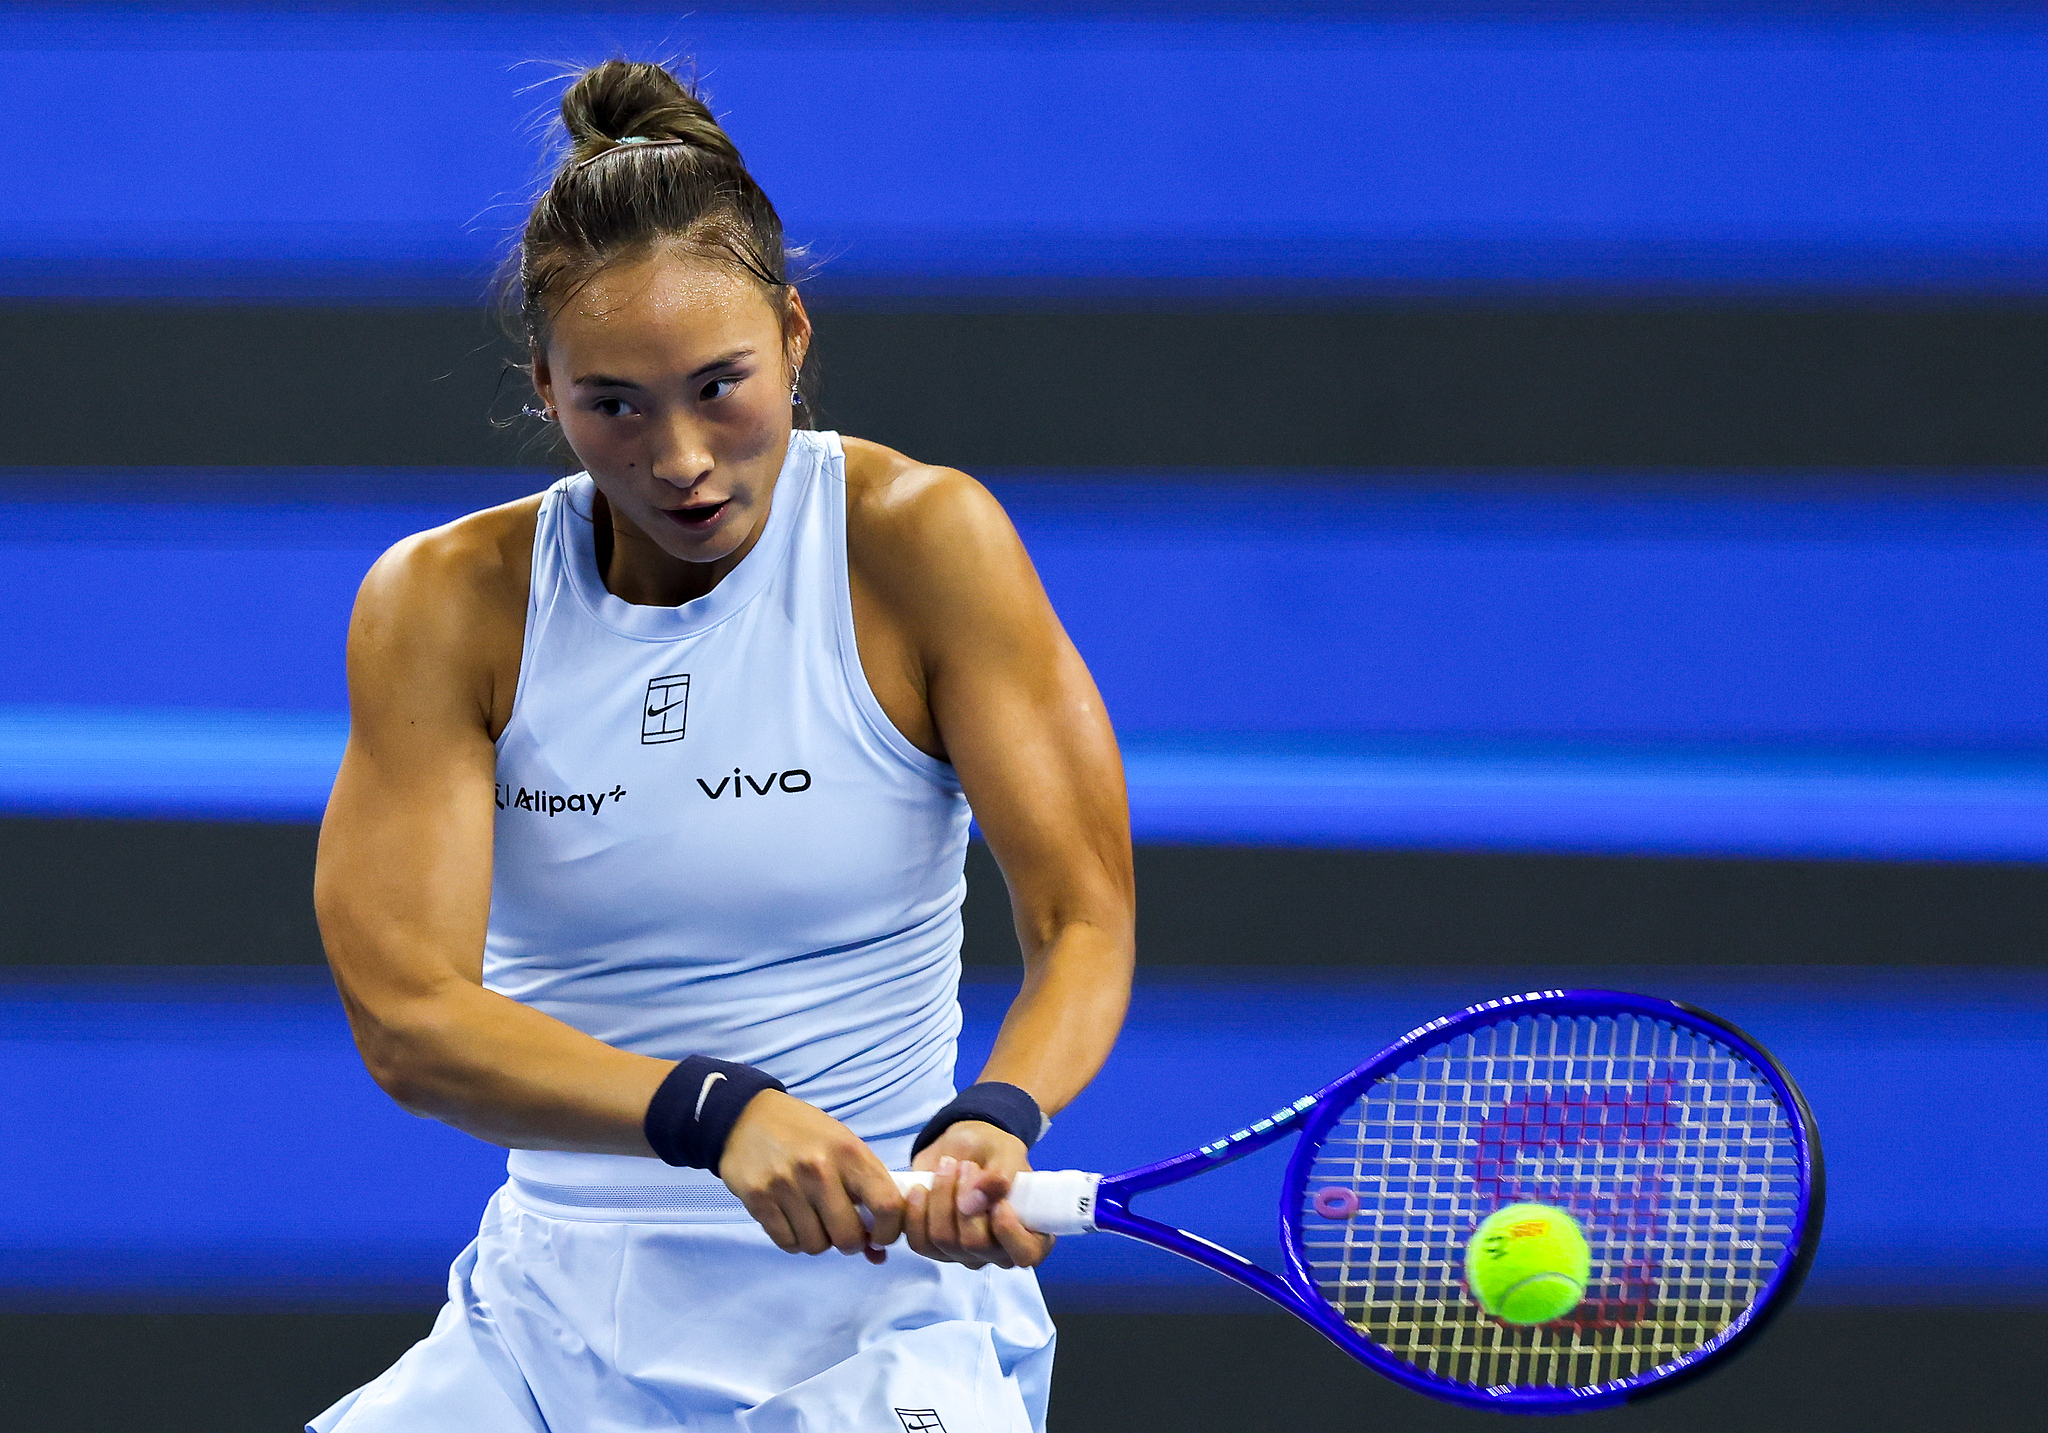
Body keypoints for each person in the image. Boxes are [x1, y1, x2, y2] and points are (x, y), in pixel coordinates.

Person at [308, 58, 1134, 1432]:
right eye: (614, 404)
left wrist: (997, 1113)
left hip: (881, 1315)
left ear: (794, 336)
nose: (681, 455)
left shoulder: (922, 543)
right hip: (546, 1318)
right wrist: (713, 1111)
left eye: (719, 385)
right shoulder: (442, 604)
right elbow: (410, 1019)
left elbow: (1081, 918)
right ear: (546, 388)